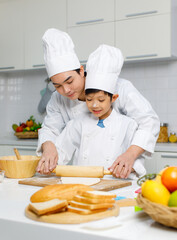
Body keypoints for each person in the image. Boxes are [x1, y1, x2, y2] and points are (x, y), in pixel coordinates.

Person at [36, 28, 160, 178]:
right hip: (84, 178)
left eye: (69, 81)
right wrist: (49, 148)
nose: (66, 90)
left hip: (120, 176)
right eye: (57, 86)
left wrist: (130, 155)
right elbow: (50, 129)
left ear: (81, 71)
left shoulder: (120, 88)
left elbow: (148, 121)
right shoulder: (58, 100)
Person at [54, 44, 146, 179]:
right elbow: (60, 150)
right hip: (82, 184)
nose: (95, 105)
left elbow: (137, 159)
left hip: (116, 185)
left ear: (113, 98)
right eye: (89, 99)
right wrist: (51, 162)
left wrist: (131, 167)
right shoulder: (78, 123)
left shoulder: (128, 125)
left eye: (101, 100)